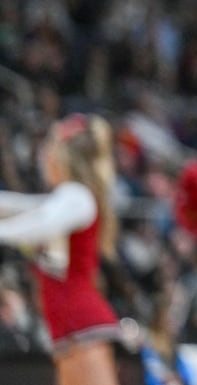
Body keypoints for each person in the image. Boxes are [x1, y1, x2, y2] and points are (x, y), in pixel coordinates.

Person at [0, 114, 122, 385]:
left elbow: (37, 225)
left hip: (82, 324)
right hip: (69, 329)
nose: (42, 157)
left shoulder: (77, 196)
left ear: (60, 155)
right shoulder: (65, 199)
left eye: (47, 148)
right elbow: (22, 206)